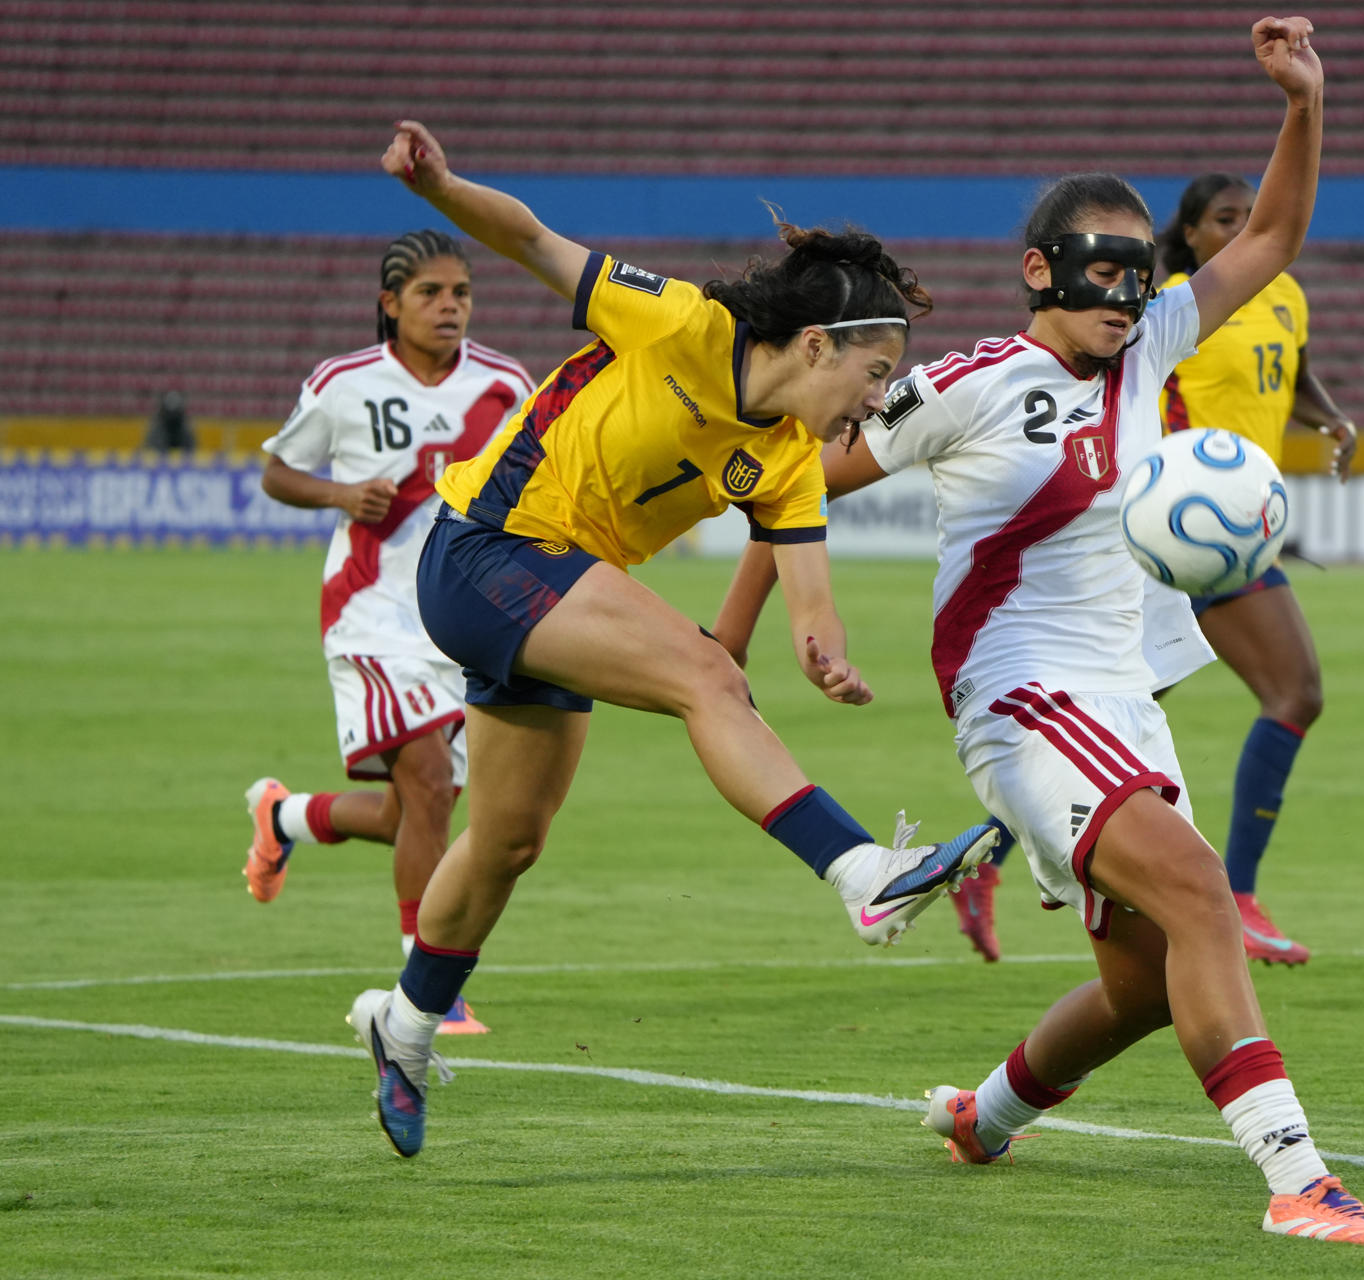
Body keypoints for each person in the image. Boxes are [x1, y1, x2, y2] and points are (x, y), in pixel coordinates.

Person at [734, 16, 1364, 1244]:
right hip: (1020, 697)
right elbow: (793, 477)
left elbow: (1271, 236)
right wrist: (754, 630)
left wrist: (1304, 103)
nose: (1127, 290)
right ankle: (1300, 1178)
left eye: (1140, 267)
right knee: (1204, 894)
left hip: (1122, 698)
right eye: (1103, 266)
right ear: (1042, 269)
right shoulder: (971, 384)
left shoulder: (1153, 347)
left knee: (1143, 985)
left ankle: (981, 1115)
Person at [345, 121, 998, 1158]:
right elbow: (531, 238)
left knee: (509, 840)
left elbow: (811, 602)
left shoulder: (786, 458)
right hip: (483, 548)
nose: (878, 401)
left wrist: (825, 653)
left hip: (552, 593)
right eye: (874, 373)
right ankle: (862, 873)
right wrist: (438, 183)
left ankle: (406, 1023)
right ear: (818, 343)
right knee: (704, 674)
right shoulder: (682, 323)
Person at [244, 229, 538, 1034]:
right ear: (390, 304)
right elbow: (277, 471)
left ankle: (287, 817)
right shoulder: (344, 382)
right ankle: (429, 990)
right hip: (370, 613)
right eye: (431, 294)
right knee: (432, 790)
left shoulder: (508, 383)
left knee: (421, 809)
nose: (450, 308)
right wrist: (341, 496)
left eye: (462, 294)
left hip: (465, 616)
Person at [1155, 171, 1359, 966]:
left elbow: (1293, 372)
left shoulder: (1287, 295)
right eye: (1224, 219)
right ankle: (1235, 896)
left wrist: (1329, 416)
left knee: (1115, 707)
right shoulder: (1175, 301)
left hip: (1238, 523)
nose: (1240, 229)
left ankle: (989, 859)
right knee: (1295, 691)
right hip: (1190, 522)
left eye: (1250, 216)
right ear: (1194, 235)